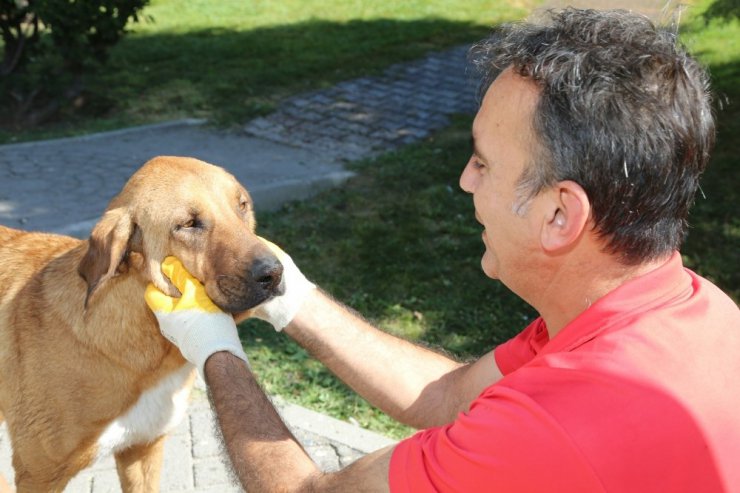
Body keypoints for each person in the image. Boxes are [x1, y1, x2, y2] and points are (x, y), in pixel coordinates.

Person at [145, 8, 740, 493]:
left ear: (561, 214)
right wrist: (290, 298)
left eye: (483, 162)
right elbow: (446, 395)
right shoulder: (696, 313)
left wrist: (215, 351)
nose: (464, 180)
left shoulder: (545, 428)